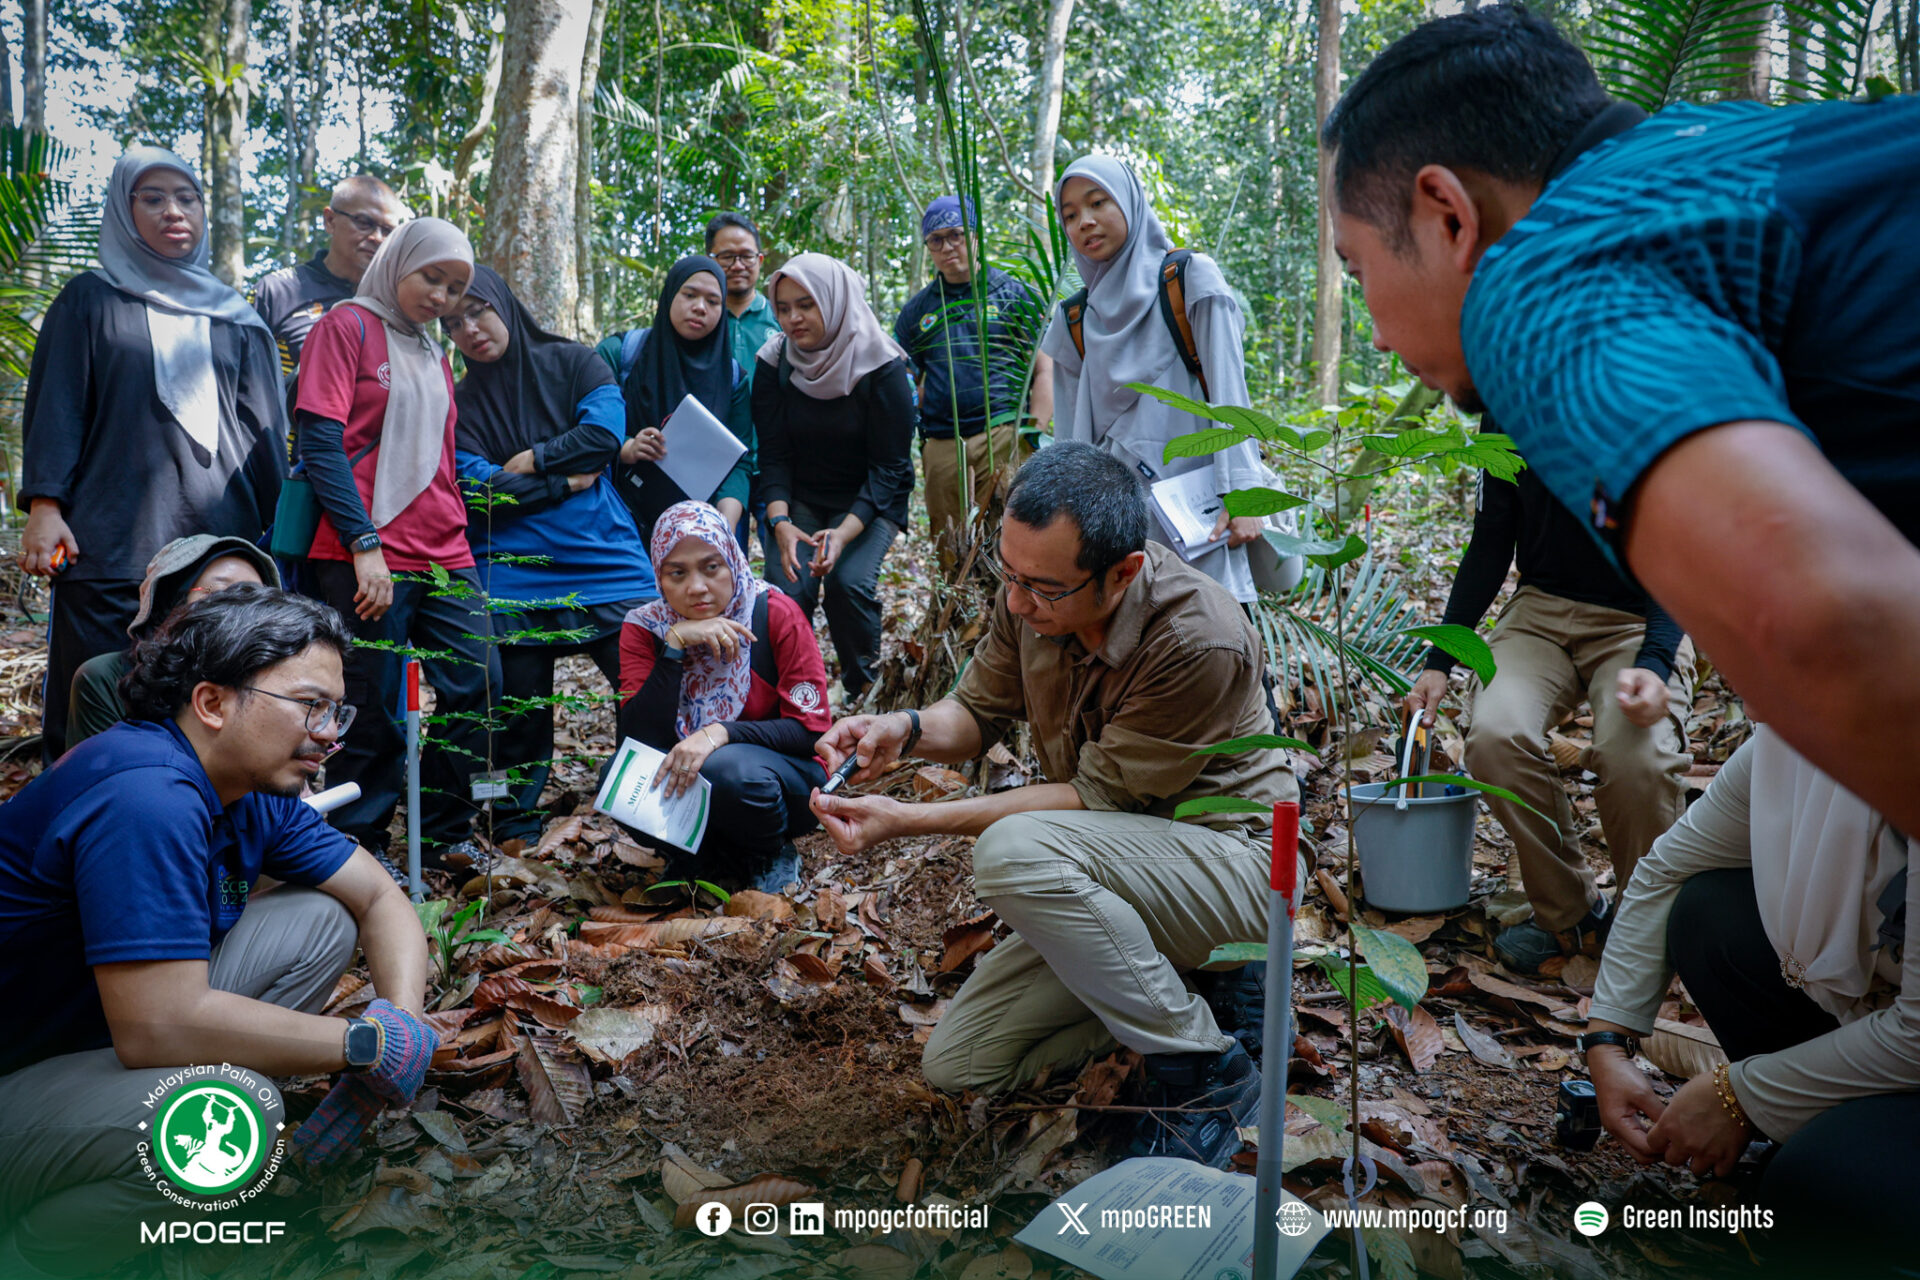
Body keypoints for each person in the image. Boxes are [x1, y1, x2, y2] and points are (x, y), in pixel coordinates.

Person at [1319, 4, 1920, 839]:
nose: (1377, 335)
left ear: (1448, 215)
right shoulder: (1705, 150)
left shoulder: (1543, 277)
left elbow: (1820, 629)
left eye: (1358, 268)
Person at [808, 444, 1300, 1168]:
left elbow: (1089, 801)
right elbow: (977, 711)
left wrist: (907, 822)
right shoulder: (1032, 595)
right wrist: (902, 731)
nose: (1015, 601)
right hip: (1119, 870)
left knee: (1013, 853)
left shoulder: (1200, 638)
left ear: (1123, 572)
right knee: (961, 1060)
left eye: (1040, 587)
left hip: (1239, 870)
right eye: (1009, 575)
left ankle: (1206, 1066)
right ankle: (1179, 987)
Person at [0, 586, 436, 1278]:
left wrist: (402, 1027)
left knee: (322, 916)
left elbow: (380, 896)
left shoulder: (252, 788)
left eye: (335, 709)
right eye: (309, 706)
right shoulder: (146, 794)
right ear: (212, 703)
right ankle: (37, 1258)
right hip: (21, 1076)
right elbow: (156, 1026)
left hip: (87, 1040)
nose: (330, 732)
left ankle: (156, 1167)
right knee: (234, 1119)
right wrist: (362, 1047)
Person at [1580, 727, 1914, 1272]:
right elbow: (1667, 868)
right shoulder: (1786, 749)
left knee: (1810, 1193)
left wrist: (1740, 1094)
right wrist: (1607, 1042)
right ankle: (1826, 1133)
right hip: (1875, 1020)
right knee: (1707, 911)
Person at [17, 145, 287, 763]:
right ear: (124, 207)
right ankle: (80, 833)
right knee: (94, 698)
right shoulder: (90, 299)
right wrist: (44, 504)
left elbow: (265, 435)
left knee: (209, 701)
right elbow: (59, 404)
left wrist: (275, 536)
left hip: (219, 551)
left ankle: (198, 836)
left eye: (186, 198)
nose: (174, 212)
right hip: (110, 545)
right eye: (153, 198)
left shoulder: (236, 318)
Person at [1404, 467, 1694, 973]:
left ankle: (1646, 926)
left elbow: (1686, 548)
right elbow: (1491, 541)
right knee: (1496, 736)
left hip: (1641, 616)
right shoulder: (1503, 409)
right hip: (1540, 610)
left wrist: (1654, 663)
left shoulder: (1645, 398)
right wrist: (1440, 662)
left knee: (1637, 758)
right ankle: (1569, 913)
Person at [294, 216, 498, 869]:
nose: (439, 296)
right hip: (363, 547)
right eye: (429, 276)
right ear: (396, 264)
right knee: (376, 701)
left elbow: (438, 459)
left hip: (443, 545)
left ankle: (442, 831)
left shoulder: (435, 352)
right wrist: (363, 541)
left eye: (454, 286)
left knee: (479, 681)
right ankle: (362, 839)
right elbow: (320, 442)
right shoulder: (345, 326)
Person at [448, 265, 658, 847]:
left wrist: (532, 459)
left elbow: (603, 439)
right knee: (515, 703)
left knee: (647, 680)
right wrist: (564, 483)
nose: (470, 329)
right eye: (454, 322)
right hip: (509, 567)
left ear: (505, 305)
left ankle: (641, 800)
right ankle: (510, 816)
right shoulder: (458, 403)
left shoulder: (576, 362)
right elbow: (480, 492)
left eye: (478, 311)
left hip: (603, 556)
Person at [1038, 156, 1271, 603]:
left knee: (1217, 642)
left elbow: (1230, 393)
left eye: (1098, 202)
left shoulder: (1189, 279)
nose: (1084, 221)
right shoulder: (1074, 318)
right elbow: (1071, 439)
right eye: (1069, 215)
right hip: (1118, 525)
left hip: (1200, 511)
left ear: (1129, 202)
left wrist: (1243, 495)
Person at [619, 501, 832, 892]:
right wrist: (675, 646)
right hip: (687, 781)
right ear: (659, 577)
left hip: (783, 782)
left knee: (725, 768)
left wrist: (720, 733)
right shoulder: (645, 628)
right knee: (618, 780)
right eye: (677, 573)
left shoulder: (774, 613)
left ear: (733, 560)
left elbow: (810, 731)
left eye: (711, 567)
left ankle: (769, 851)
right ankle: (694, 856)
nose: (697, 587)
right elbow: (637, 739)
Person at [754, 252, 916, 703]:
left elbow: (891, 467)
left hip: (870, 498)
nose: (793, 318)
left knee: (847, 584)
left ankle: (863, 689)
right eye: (783, 308)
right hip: (801, 495)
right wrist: (780, 522)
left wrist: (844, 533)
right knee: (788, 588)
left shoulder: (882, 366)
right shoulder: (774, 363)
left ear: (834, 300)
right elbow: (773, 453)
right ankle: (791, 691)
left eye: (806, 304)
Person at [894, 195, 1054, 572]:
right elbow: (904, 378)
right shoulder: (917, 312)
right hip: (945, 445)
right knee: (951, 550)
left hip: (1004, 435)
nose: (948, 247)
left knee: (1012, 541)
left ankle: (1014, 624)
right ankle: (960, 626)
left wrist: (1034, 431)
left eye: (957, 235)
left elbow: (1044, 368)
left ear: (976, 236)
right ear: (928, 248)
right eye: (936, 240)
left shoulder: (1013, 294)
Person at [593, 256, 756, 545]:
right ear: (669, 294)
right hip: (616, 517)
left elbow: (739, 460)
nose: (699, 307)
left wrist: (724, 521)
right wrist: (626, 446)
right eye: (689, 294)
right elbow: (584, 426)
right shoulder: (620, 354)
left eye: (713, 301)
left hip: (697, 528)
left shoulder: (732, 378)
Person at [67, 533, 279, 749]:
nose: (241, 609)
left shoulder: (276, 685)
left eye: (255, 597)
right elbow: (100, 774)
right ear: (171, 604)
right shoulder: (110, 677)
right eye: (217, 593)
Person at [248, 174, 408, 377]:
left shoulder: (394, 303)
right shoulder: (277, 291)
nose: (377, 238)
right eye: (364, 222)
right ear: (330, 220)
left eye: (387, 231)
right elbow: (238, 375)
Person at [705, 212, 782, 384]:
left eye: (747, 256)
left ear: (760, 260)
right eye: (727, 257)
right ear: (709, 260)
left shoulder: (781, 318)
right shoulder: (699, 318)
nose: (738, 266)